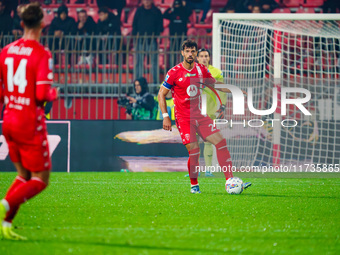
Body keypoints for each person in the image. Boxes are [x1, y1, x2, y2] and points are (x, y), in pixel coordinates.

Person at [158, 40, 251, 193]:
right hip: (183, 118)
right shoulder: (174, 72)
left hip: (200, 116)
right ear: (182, 53)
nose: (190, 54)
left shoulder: (201, 70)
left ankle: (230, 181)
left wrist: (234, 90)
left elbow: (215, 85)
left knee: (220, 142)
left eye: (193, 51)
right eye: (187, 51)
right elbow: (161, 93)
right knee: (194, 151)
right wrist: (165, 116)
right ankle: (194, 185)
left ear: (196, 53)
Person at [0, 2, 59, 240]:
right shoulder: (41, 53)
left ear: (22, 23)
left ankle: (6, 224)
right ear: (43, 24)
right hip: (28, 121)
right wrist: (55, 93)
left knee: (23, 175)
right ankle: (4, 204)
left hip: (9, 117)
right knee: (40, 179)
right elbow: (42, 94)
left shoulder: (5, 51)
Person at [195, 48, 226, 177]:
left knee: (208, 140)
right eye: (201, 56)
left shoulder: (216, 72)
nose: (204, 58)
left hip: (210, 111)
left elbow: (222, 89)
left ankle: (208, 169)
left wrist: (222, 105)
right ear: (197, 58)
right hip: (193, 110)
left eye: (206, 56)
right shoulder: (191, 71)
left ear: (209, 57)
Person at [132, 0, 163, 84]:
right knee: (139, 62)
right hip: (140, 40)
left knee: (154, 62)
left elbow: (160, 25)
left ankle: (155, 82)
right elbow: (134, 25)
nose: (146, 2)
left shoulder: (156, 11)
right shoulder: (139, 11)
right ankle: (137, 82)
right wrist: (135, 37)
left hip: (152, 40)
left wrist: (156, 35)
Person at [163, 0, 191, 67]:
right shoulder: (172, 12)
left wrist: (184, 6)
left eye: (178, 5)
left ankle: (184, 68)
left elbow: (189, 12)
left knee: (183, 54)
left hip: (182, 36)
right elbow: (164, 15)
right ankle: (172, 68)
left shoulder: (184, 12)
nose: (177, 6)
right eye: (176, 5)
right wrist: (170, 8)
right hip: (173, 36)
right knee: (173, 54)